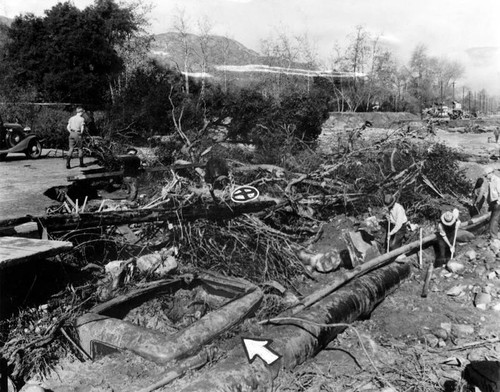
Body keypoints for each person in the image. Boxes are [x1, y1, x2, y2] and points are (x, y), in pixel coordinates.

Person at [486, 167, 500, 239]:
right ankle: (494, 234)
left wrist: (498, 202)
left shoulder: (497, 180)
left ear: (491, 173)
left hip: (497, 202)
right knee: (493, 218)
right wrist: (489, 202)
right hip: (493, 202)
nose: (486, 177)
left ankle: (494, 236)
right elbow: (490, 194)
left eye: (486, 175)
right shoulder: (490, 181)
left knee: (494, 220)